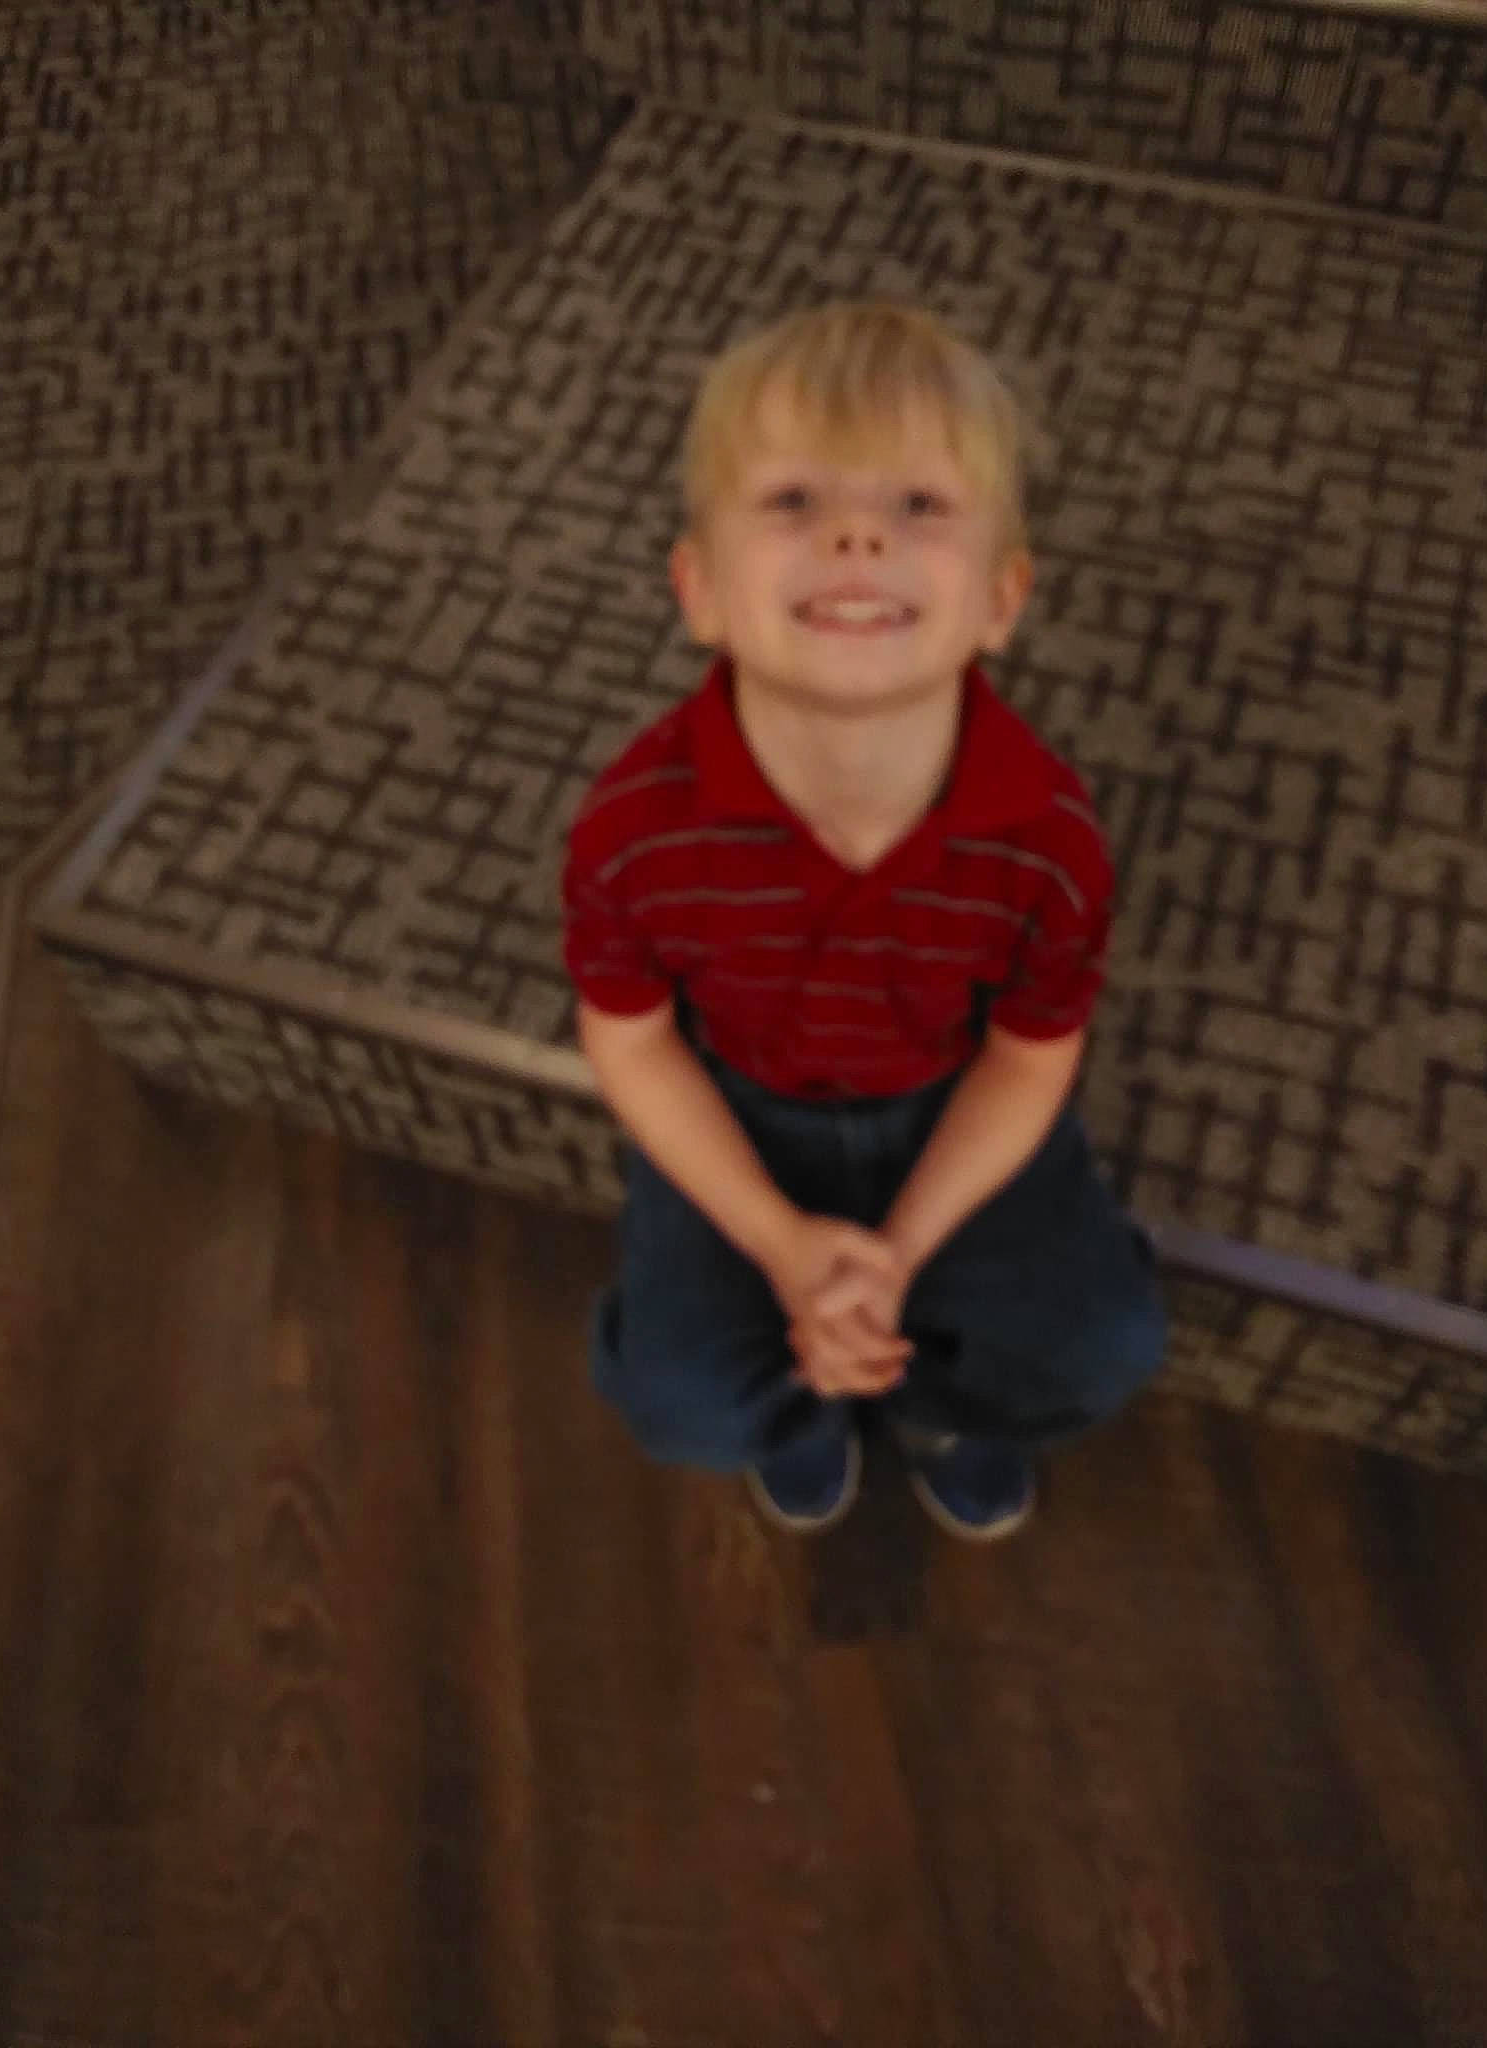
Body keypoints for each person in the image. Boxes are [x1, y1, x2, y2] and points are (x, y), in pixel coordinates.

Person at [561, 299, 1166, 1541]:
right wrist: (785, 1244)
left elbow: (1030, 1055)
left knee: (1106, 1342)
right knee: (677, 1402)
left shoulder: (1048, 838)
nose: (854, 533)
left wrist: (892, 1252)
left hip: (957, 1109)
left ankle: (934, 1404)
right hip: (739, 1109)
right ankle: (801, 1414)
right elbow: (631, 1043)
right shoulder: (632, 829)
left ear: (1003, 599)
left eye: (920, 507)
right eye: (792, 502)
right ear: (701, 590)